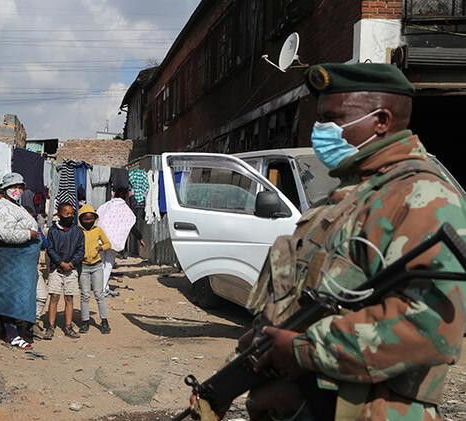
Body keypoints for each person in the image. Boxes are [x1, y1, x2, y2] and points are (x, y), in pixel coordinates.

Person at [195, 63, 466, 421]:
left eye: (333, 118)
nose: (320, 130)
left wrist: (305, 349)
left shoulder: (423, 197)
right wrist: (234, 375)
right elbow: (286, 314)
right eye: (319, 118)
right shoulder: (337, 203)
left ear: (381, 121)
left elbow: (431, 327)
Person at [0, 173, 42, 350]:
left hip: (20, 262)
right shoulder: (2, 208)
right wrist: (29, 234)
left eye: (20, 187)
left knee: (19, 297)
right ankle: (11, 334)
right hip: (10, 260)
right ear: (5, 189)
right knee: (9, 298)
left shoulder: (16, 206)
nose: (17, 190)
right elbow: (5, 233)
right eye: (13, 187)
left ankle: (17, 331)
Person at [44, 202, 85, 340]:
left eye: (72, 214)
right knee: (54, 297)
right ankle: (50, 327)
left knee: (69, 298)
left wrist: (71, 263)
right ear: (59, 214)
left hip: (71, 270)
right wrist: (60, 263)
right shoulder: (53, 231)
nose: (70, 216)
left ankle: (68, 326)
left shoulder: (78, 232)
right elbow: (50, 249)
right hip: (56, 269)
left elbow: (81, 250)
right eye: (66, 214)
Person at [97, 187, 145, 297]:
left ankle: (103, 287)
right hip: (113, 241)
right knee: (108, 264)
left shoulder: (106, 206)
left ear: (114, 194)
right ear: (126, 196)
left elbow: (97, 216)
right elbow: (131, 225)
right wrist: (140, 238)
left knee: (101, 264)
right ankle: (102, 290)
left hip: (101, 238)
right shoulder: (125, 209)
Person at [78, 204, 113, 334]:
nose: (88, 221)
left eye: (90, 219)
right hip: (83, 266)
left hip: (97, 265)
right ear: (81, 219)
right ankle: (85, 321)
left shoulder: (98, 230)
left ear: (94, 219)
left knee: (99, 294)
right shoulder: (78, 231)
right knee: (85, 295)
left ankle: (104, 321)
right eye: (85, 219)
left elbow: (108, 244)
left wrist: (101, 248)